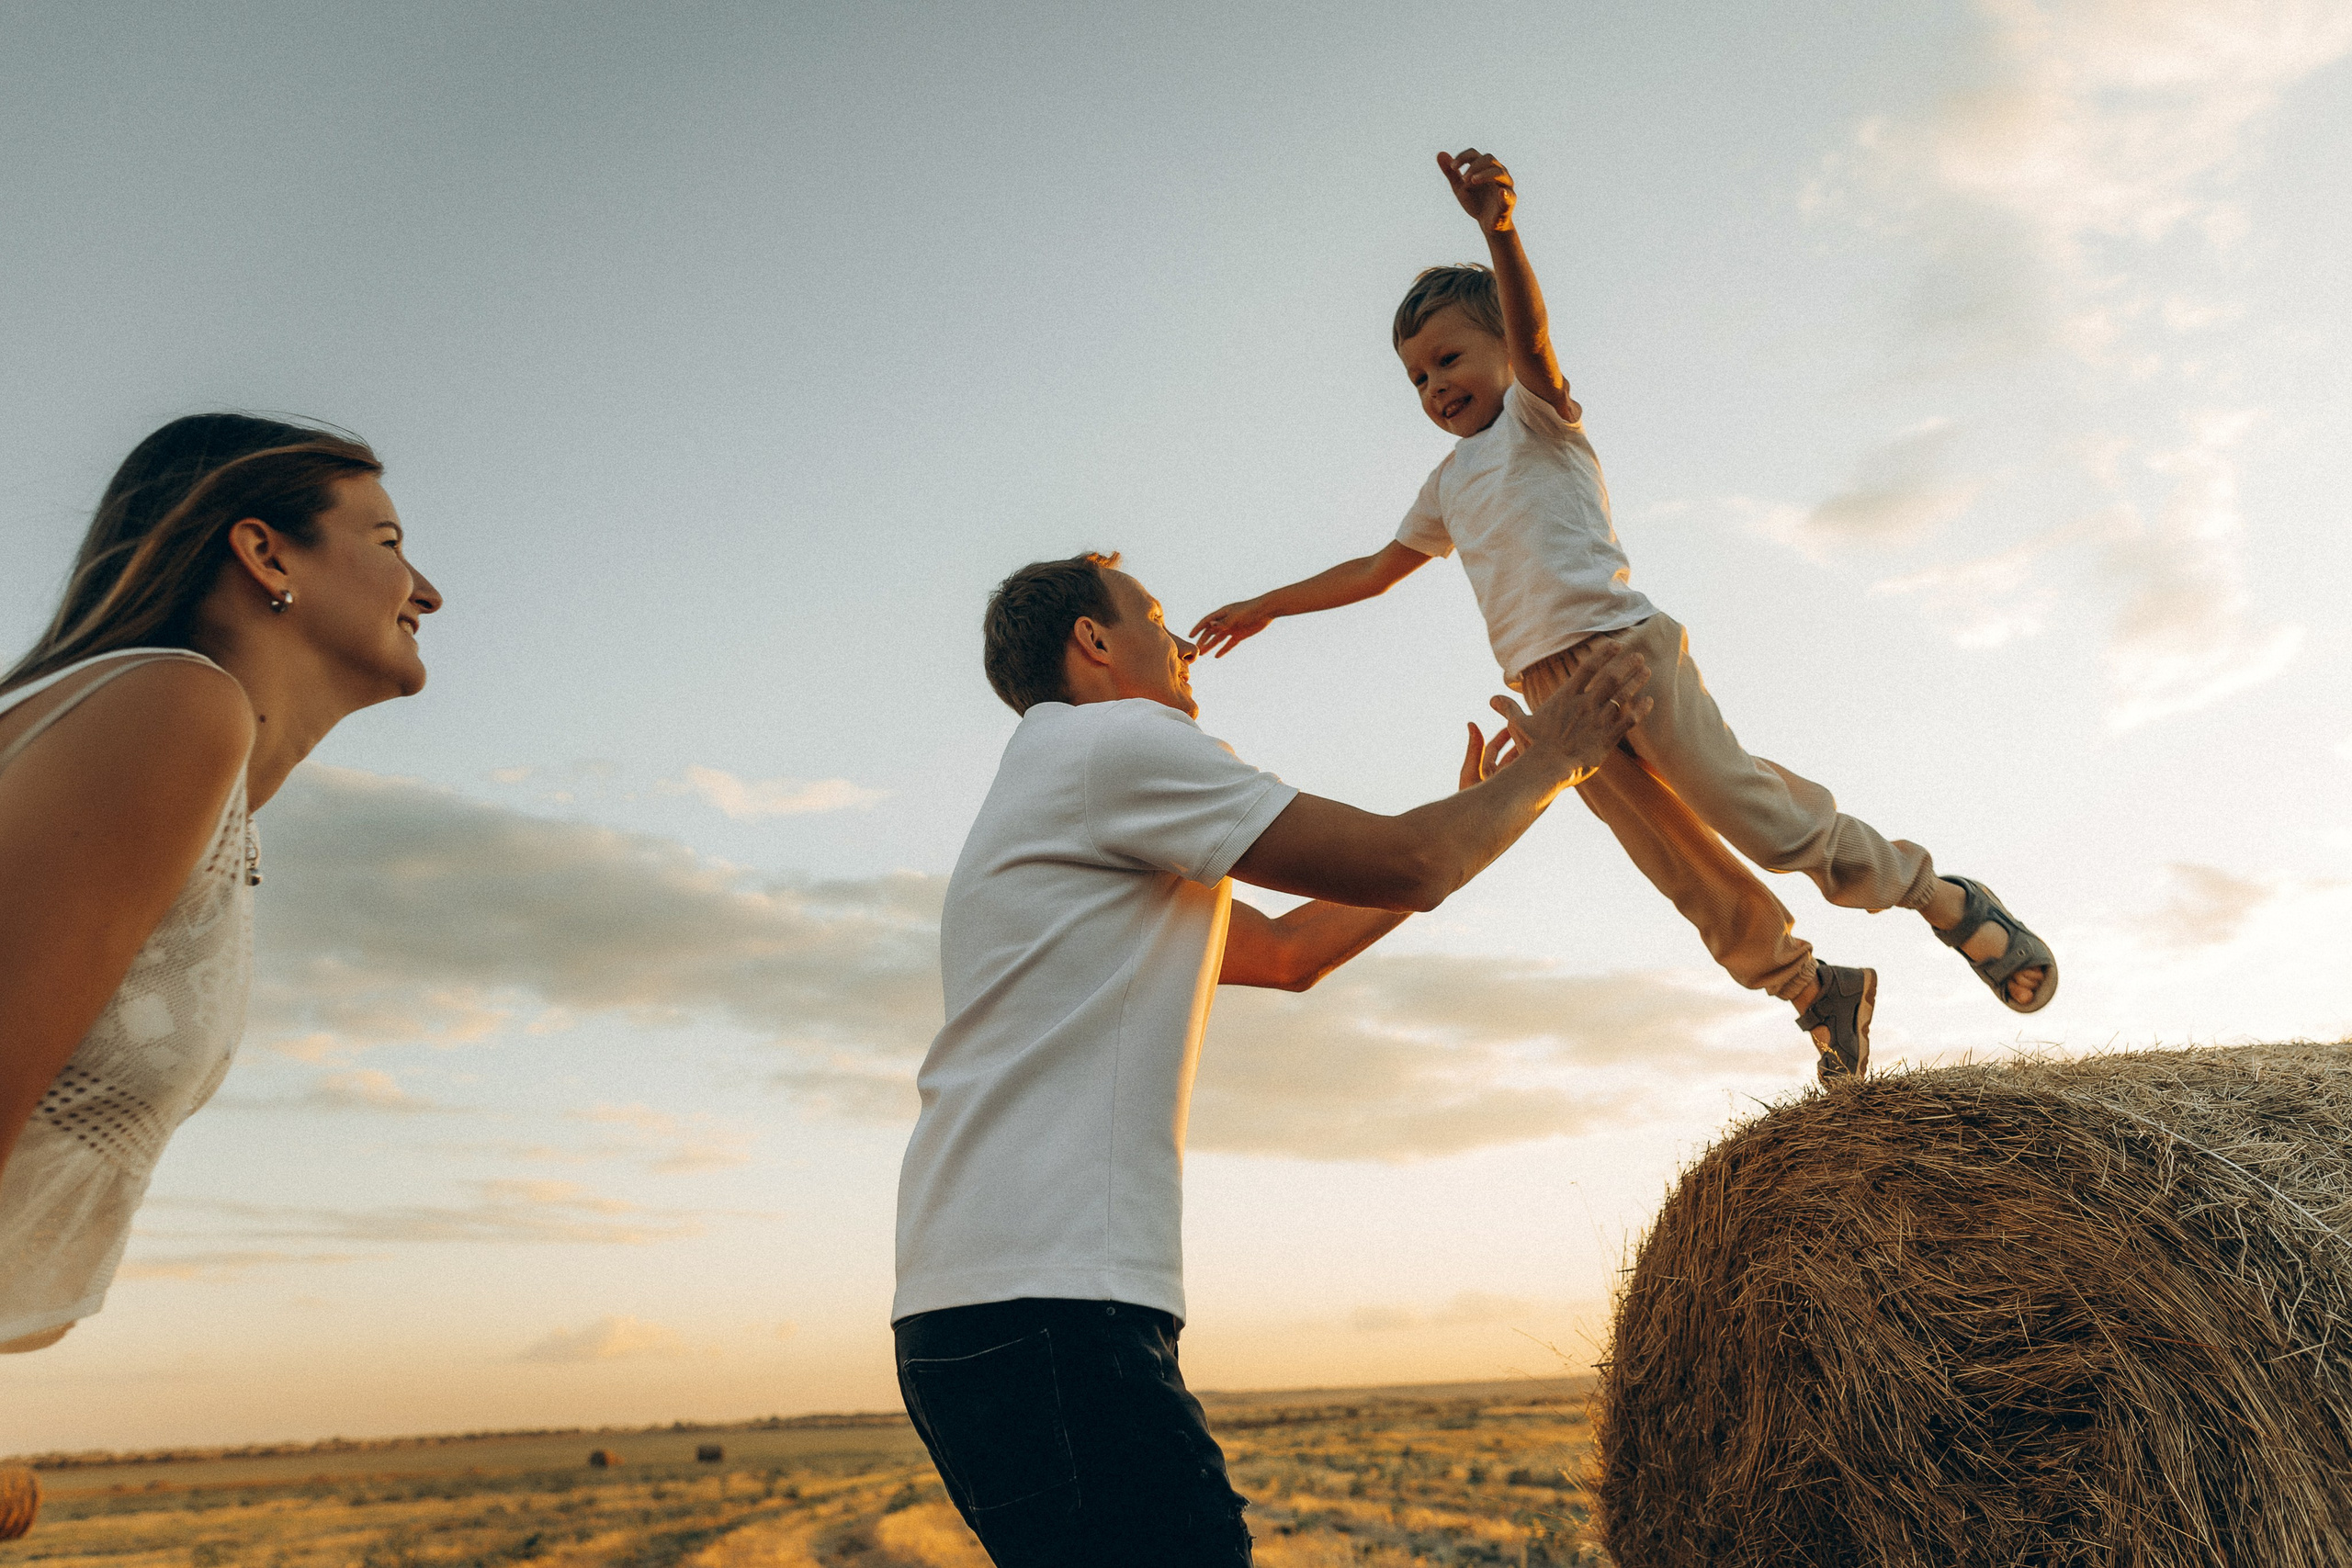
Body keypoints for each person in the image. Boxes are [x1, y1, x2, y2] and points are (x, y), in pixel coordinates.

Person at [1191, 148, 2059, 1084]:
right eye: (1415, 378)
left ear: (1499, 354)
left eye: (1448, 358)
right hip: (1551, 701)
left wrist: (1500, 232)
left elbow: (1534, 337)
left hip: (1623, 654)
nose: (1435, 386)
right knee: (1679, 867)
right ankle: (1813, 993)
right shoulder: (1444, 485)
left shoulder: (1535, 415)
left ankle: (1938, 896)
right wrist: (1266, 606)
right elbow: (1374, 568)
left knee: (1758, 820)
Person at [892, 550, 1650, 1565]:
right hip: (1050, 1302)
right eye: (1154, 616)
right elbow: (1410, 863)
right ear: (1095, 641)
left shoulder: (1058, 790)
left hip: (981, 1313)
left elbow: (1289, 954)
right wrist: (1551, 758)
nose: (1180, 641)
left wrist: (1487, 813)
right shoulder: (1114, 744)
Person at [0, 413, 443, 1536]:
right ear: (265, 554)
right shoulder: (170, 706)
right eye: (387, 540)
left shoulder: (181, 749)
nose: (425, 588)